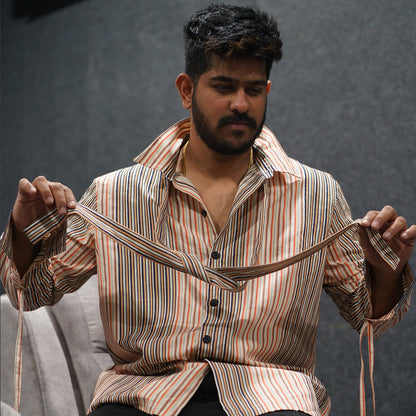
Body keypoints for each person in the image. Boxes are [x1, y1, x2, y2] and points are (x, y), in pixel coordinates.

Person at [1, 4, 415, 416]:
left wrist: (385, 269)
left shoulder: (318, 195)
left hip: (272, 397)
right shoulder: (114, 196)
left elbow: (365, 315)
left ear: (266, 92)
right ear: (187, 90)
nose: (240, 103)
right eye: (223, 86)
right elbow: (31, 292)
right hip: (142, 396)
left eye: (253, 89)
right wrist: (24, 232)